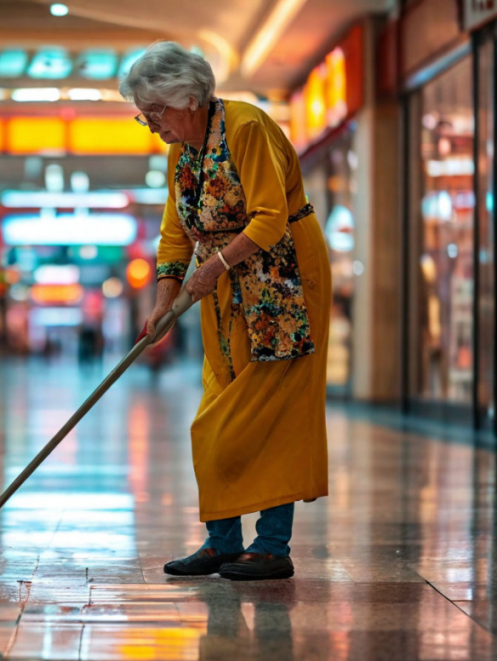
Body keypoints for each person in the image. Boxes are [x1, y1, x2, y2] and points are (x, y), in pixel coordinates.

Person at [119, 42, 331, 580]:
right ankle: (222, 540)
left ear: (187, 98)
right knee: (221, 395)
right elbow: (174, 233)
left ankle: (272, 545)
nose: (150, 123)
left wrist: (214, 266)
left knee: (267, 410)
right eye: (145, 114)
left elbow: (269, 218)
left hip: (282, 279)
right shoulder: (180, 151)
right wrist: (163, 303)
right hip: (224, 286)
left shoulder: (246, 127)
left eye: (155, 111)